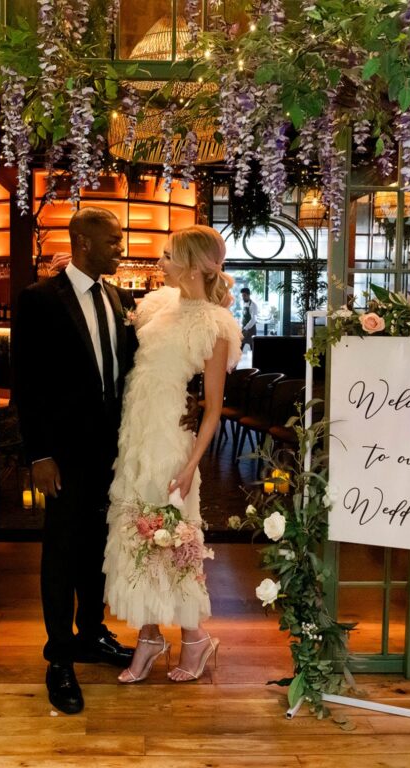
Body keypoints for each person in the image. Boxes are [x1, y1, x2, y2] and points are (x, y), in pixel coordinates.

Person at [103, 225, 242, 684]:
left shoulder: (215, 325)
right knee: (135, 534)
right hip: (135, 435)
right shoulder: (157, 305)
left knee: (170, 538)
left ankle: (194, 636)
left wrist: (190, 465)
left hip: (171, 443)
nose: (159, 262)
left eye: (168, 255)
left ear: (195, 265)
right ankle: (148, 635)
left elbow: (214, 409)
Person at [12, 207, 138, 715]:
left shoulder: (117, 296)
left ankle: (91, 635)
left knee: (99, 549)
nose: (119, 248)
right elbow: (27, 383)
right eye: (112, 241)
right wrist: (39, 453)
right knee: (62, 552)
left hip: (112, 451)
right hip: (61, 454)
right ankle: (59, 656)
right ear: (83, 242)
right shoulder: (39, 300)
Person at [240, 286, 258, 351]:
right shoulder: (244, 304)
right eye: (242, 296)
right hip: (244, 328)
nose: (243, 297)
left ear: (248, 295)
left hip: (251, 329)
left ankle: (255, 360)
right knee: (240, 345)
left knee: (252, 346)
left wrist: (246, 328)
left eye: (244, 295)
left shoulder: (253, 305)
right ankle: (237, 359)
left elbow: (253, 319)